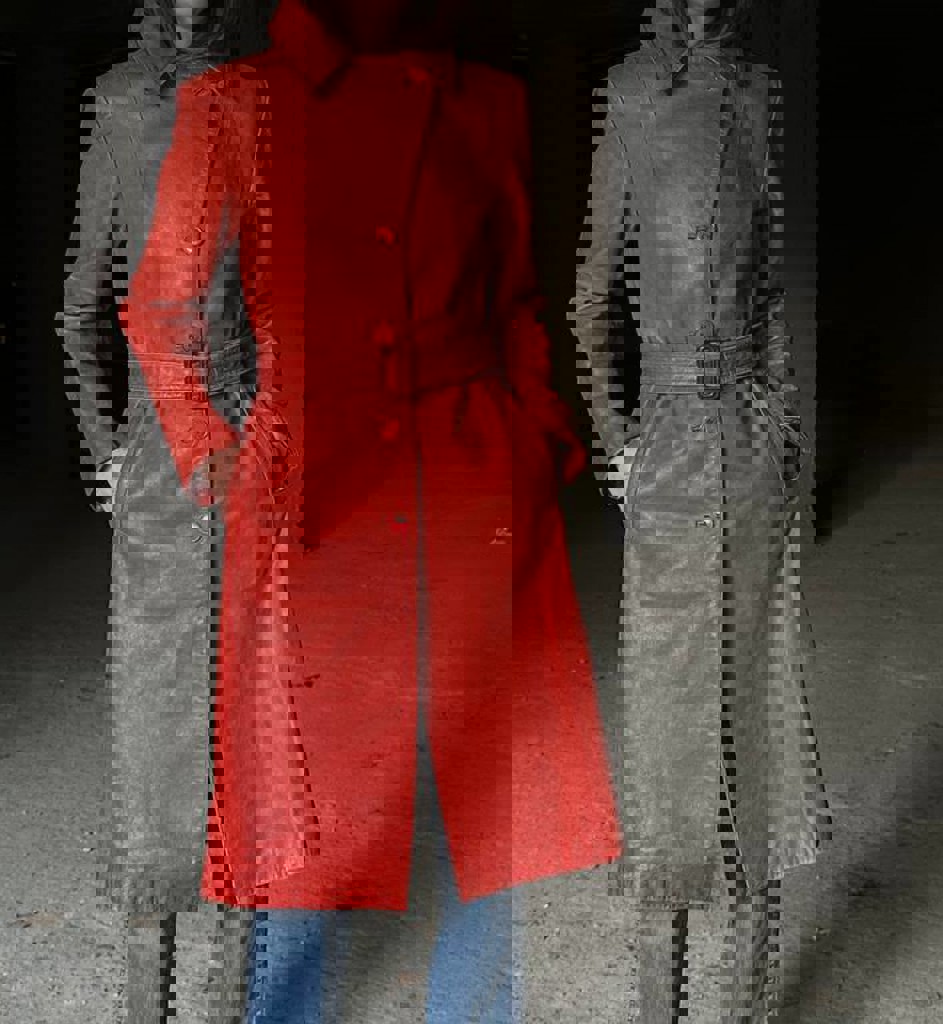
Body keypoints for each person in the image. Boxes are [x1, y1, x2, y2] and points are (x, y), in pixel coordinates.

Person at [117, 0, 624, 1020]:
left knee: (493, 778)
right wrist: (210, 445)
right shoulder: (235, 104)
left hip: (472, 468)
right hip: (316, 483)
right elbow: (163, 302)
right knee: (304, 795)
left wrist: (536, 431)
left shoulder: (490, 102)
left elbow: (517, 298)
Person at [571, 1, 833, 1019]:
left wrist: (783, 428)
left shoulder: (758, 90)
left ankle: (743, 999)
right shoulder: (630, 96)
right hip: (671, 452)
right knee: (670, 721)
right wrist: (620, 447)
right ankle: (661, 994)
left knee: (758, 707)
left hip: (750, 454)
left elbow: (772, 290)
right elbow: (590, 301)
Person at [58, 2, 275, 1020]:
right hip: (176, 460)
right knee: (176, 732)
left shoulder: (246, 107)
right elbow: (77, 311)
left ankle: (208, 996)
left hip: (214, 461)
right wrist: (107, 456)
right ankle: (156, 996)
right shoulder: (129, 107)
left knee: (225, 730)